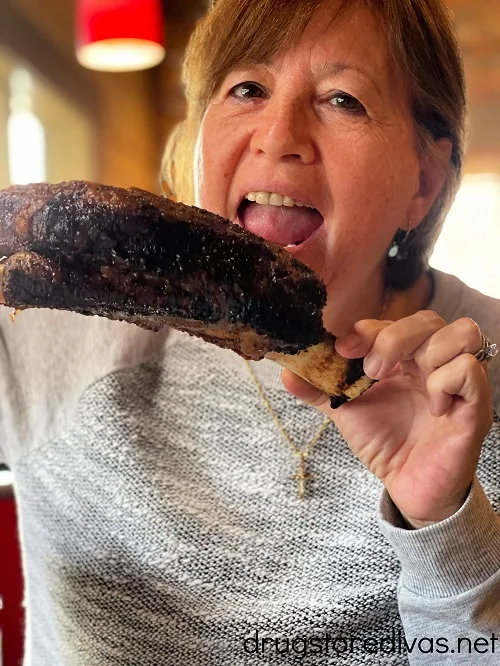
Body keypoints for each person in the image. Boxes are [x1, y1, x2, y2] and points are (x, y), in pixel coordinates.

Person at [1, 0, 499, 664]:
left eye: (343, 99)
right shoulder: (40, 329)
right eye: (247, 88)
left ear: (424, 181)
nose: (277, 134)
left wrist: (445, 527)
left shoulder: (478, 375)